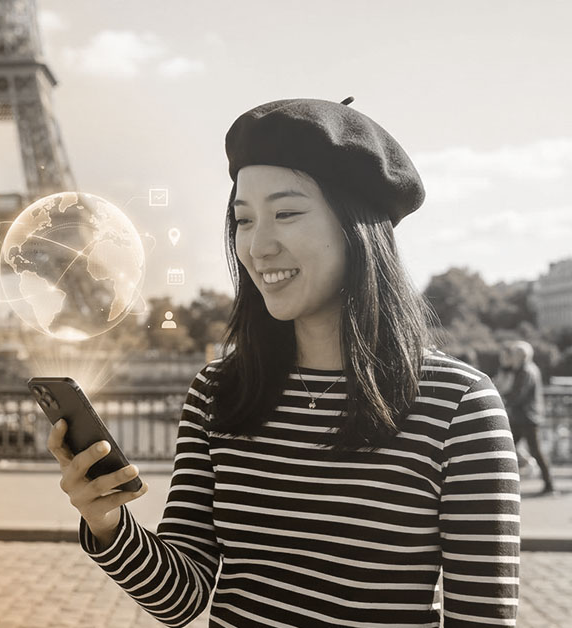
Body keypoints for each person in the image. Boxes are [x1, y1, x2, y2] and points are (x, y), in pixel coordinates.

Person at [49, 98, 519, 626]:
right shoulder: (218, 392)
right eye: (243, 220)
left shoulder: (457, 406)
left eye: (287, 213)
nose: (257, 246)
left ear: (357, 226)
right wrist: (108, 520)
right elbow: (180, 599)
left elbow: (482, 617)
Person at [499, 340, 555, 495]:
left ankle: (549, 484)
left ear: (521, 356)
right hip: (526, 417)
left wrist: (501, 399)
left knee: (509, 448)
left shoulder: (525, 371)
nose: (513, 357)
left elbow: (518, 395)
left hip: (525, 418)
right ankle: (548, 484)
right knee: (514, 448)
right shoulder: (529, 369)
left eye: (515, 354)